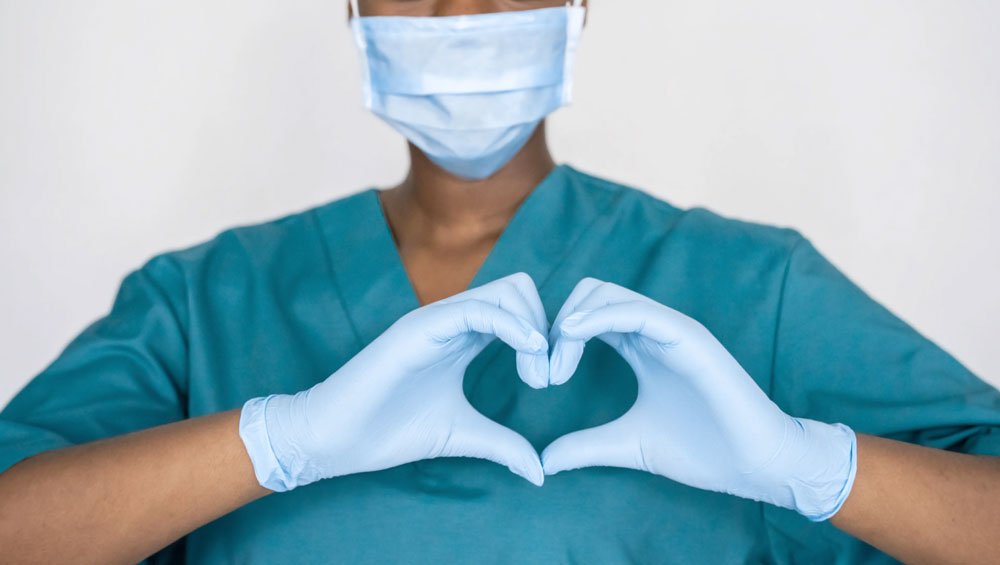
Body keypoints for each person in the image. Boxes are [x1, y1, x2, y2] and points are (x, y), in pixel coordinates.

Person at [1, 1, 998, 563]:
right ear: (351, 10)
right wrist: (276, 442)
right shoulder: (203, 301)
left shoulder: (750, 286)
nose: (458, 8)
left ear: (579, 7)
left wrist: (812, 465)